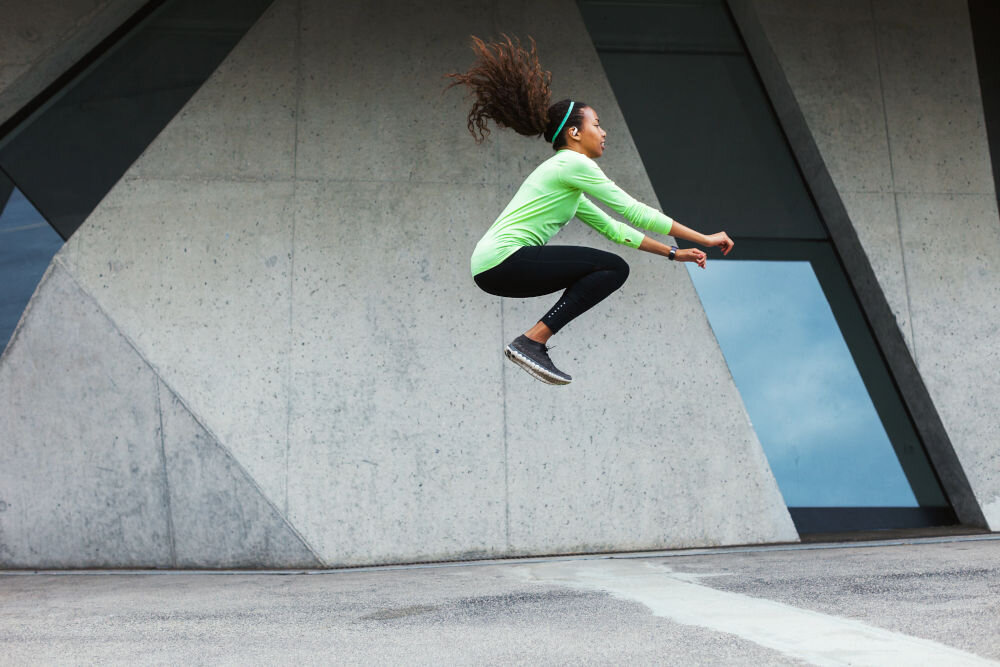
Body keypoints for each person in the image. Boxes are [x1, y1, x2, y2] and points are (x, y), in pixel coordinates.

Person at [447, 35, 733, 385]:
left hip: (491, 270)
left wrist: (674, 253)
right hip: (503, 260)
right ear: (574, 132)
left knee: (611, 267)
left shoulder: (564, 180)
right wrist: (704, 237)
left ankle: (532, 341)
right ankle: (531, 342)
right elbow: (633, 211)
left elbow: (615, 229)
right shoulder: (571, 164)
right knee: (611, 267)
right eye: (596, 124)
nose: (603, 131)